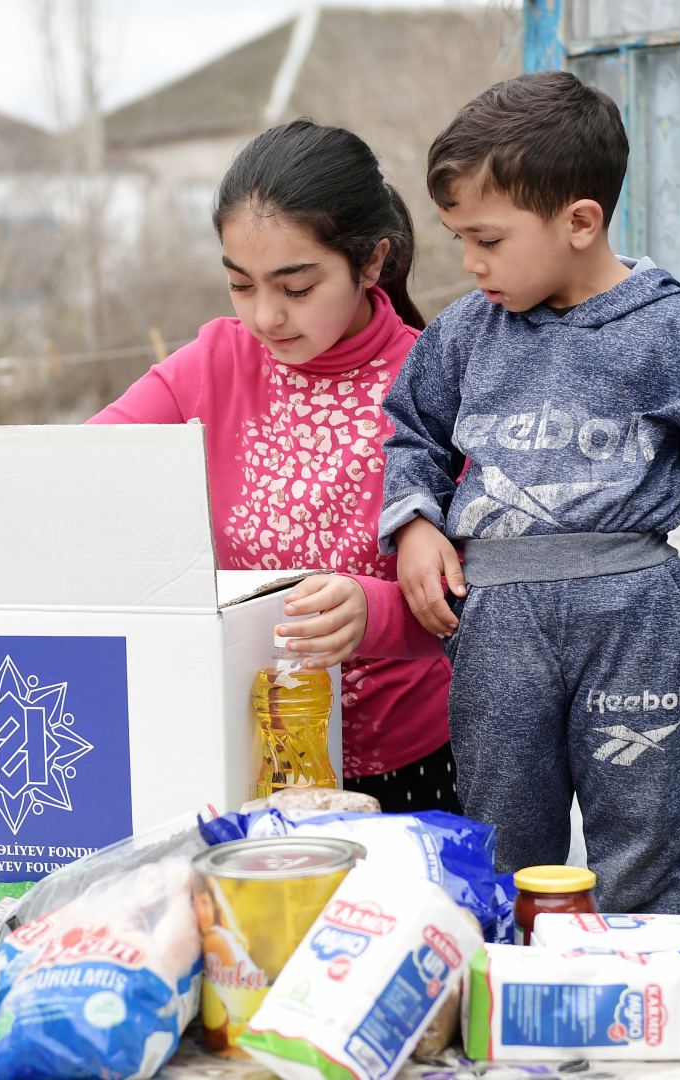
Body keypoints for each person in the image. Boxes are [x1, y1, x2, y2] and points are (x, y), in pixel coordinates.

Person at [378, 72, 680, 913]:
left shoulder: (676, 334)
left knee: (641, 837)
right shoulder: (465, 332)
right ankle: (510, 1013)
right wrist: (417, 523)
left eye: (488, 240)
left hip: (632, 619)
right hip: (495, 625)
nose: (470, 263)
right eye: (460, 239)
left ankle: (638, 1016)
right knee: (502, 843)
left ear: (579, 222)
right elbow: (413, 433)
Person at [91, 119, 460, 812]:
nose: (265, 316)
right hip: (241, 756)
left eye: (296, 288)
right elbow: (86, 471)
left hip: (408, 766)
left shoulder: (437, 381)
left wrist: (374, 612)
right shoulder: (212, 366)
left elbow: (488, 589)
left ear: (371, 263)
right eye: (240, 285)